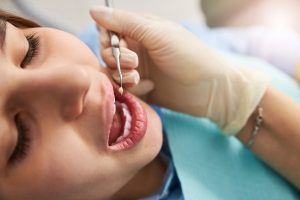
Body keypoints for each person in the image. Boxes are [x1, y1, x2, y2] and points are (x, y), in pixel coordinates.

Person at [0, 6, 299, 200]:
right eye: (21, 136)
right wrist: (239, 107)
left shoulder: (125, 47)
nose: (76, 79)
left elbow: (266, 48)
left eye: (29, 49)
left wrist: (233, 95)